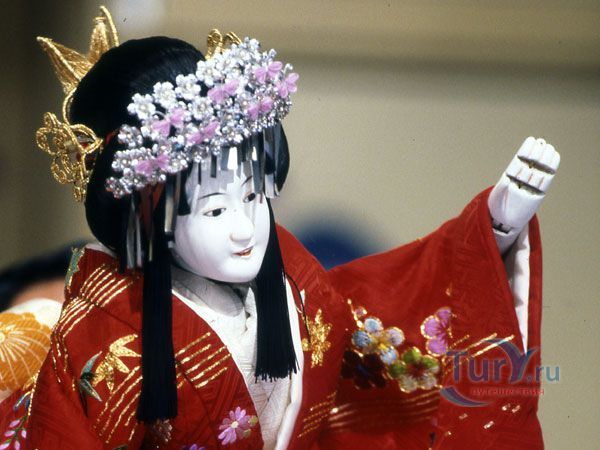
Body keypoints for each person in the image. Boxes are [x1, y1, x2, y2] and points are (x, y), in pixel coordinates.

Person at [0, 7, 559, 450]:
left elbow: (387, 310)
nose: (245, 229)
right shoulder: (104, 339)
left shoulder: (292, 282)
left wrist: (493, 226)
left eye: (254, 197)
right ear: (147, 218)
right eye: (214, 211)